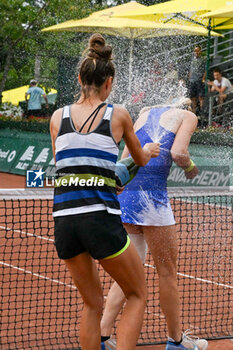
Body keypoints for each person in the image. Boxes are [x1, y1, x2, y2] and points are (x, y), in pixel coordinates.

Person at [50, 33, 160, 350]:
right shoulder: (118, 113)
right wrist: (149, 151)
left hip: (65, 223)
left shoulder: (58, 118)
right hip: (99, 219)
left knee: (92, 304)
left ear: (81, 78)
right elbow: (137, 159)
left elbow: (67, 167)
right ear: (108, 82)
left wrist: (109, 177)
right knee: (137, 292)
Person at [101, 103, 208, 350]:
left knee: (130, 268)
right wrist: (191, 169)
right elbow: (179, 153)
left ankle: (102, 336)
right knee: (168, 273)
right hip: (153, 202)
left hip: (128, 197)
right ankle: (176, 341)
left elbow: (125, 159)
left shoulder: (145, 113)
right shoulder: (188, 115)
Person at [189, 46, 206, 115]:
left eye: (197, 50)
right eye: (195, 51)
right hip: (192, 80)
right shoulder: (192, 59)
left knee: (201, 97)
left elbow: (205, 70)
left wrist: (203, 79)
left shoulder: (203, 59)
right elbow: (191, 69)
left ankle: (202, 113)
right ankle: (194, 112)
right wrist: (189, 78)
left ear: (200, 51)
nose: (196, 52)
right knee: (193, 97)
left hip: (199, 80)